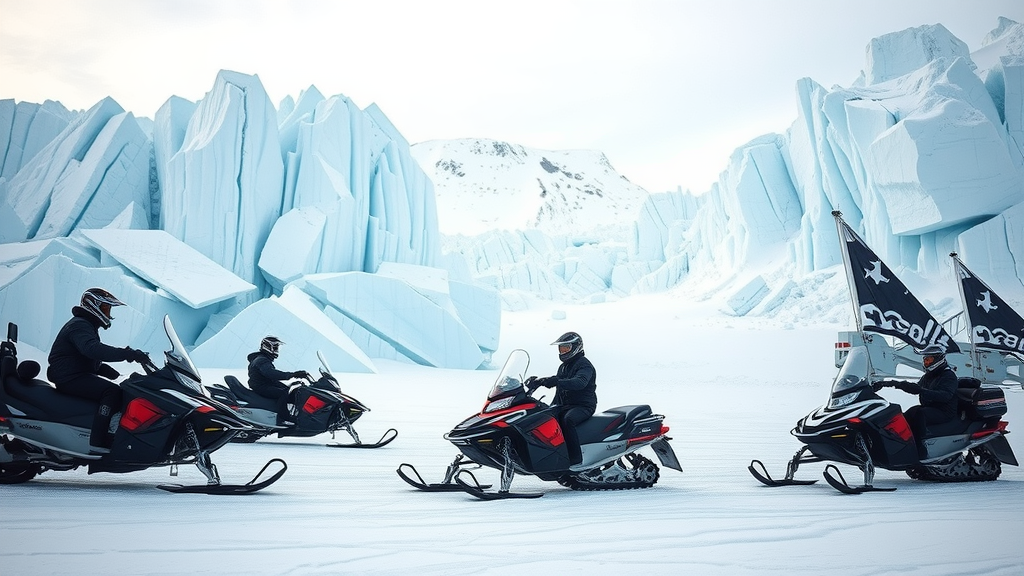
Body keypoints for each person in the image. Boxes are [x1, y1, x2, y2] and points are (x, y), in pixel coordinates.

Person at [47, 288, 149, 453]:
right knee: (112, 392)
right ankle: (99, 440)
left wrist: (111, 372)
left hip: (72, 374)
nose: (108, 314)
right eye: (105, 308)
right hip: (69, 377)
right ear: (93, 306)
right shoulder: (80, 325)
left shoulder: (85, 325)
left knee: (120, 387)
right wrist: (128, 354)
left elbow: (82, 356)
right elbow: (91, 349)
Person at [526, 331, 597, 466]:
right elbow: (560, 387)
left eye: (566, 348)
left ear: (576, 347)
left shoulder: (584, 365)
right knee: (543, 418)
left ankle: (575, 459)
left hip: (583, 406)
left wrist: (556, 381)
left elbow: (579, 382)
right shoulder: (564, 366)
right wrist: (540, 382)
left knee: (568, 420)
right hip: (565, 405)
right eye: (561, 348)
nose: (563, 351)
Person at [875, 344, 959, 437]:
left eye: (928, 360)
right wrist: (890, 384)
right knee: (908, 414)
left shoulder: (948, 375)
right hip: (930, 407)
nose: (926, 363)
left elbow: (945, 396)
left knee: (920, 415)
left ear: (938, 359)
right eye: (924, 360)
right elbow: (915, 387)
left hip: (944, 411)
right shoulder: (928, 376)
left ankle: (920, 447)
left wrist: (922, 391)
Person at [247, 336, 311, 425]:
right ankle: (283, 419)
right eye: (275, 347)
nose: (277, 350)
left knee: (289, 390)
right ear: (268, 347)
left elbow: (269, 377)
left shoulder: (262, 358)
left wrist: (290, 383)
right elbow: (271, 374)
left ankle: (295, 414)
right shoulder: (262, 360)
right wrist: (292, 375)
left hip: (264, 383)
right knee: (282, 394)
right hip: (261, 386)